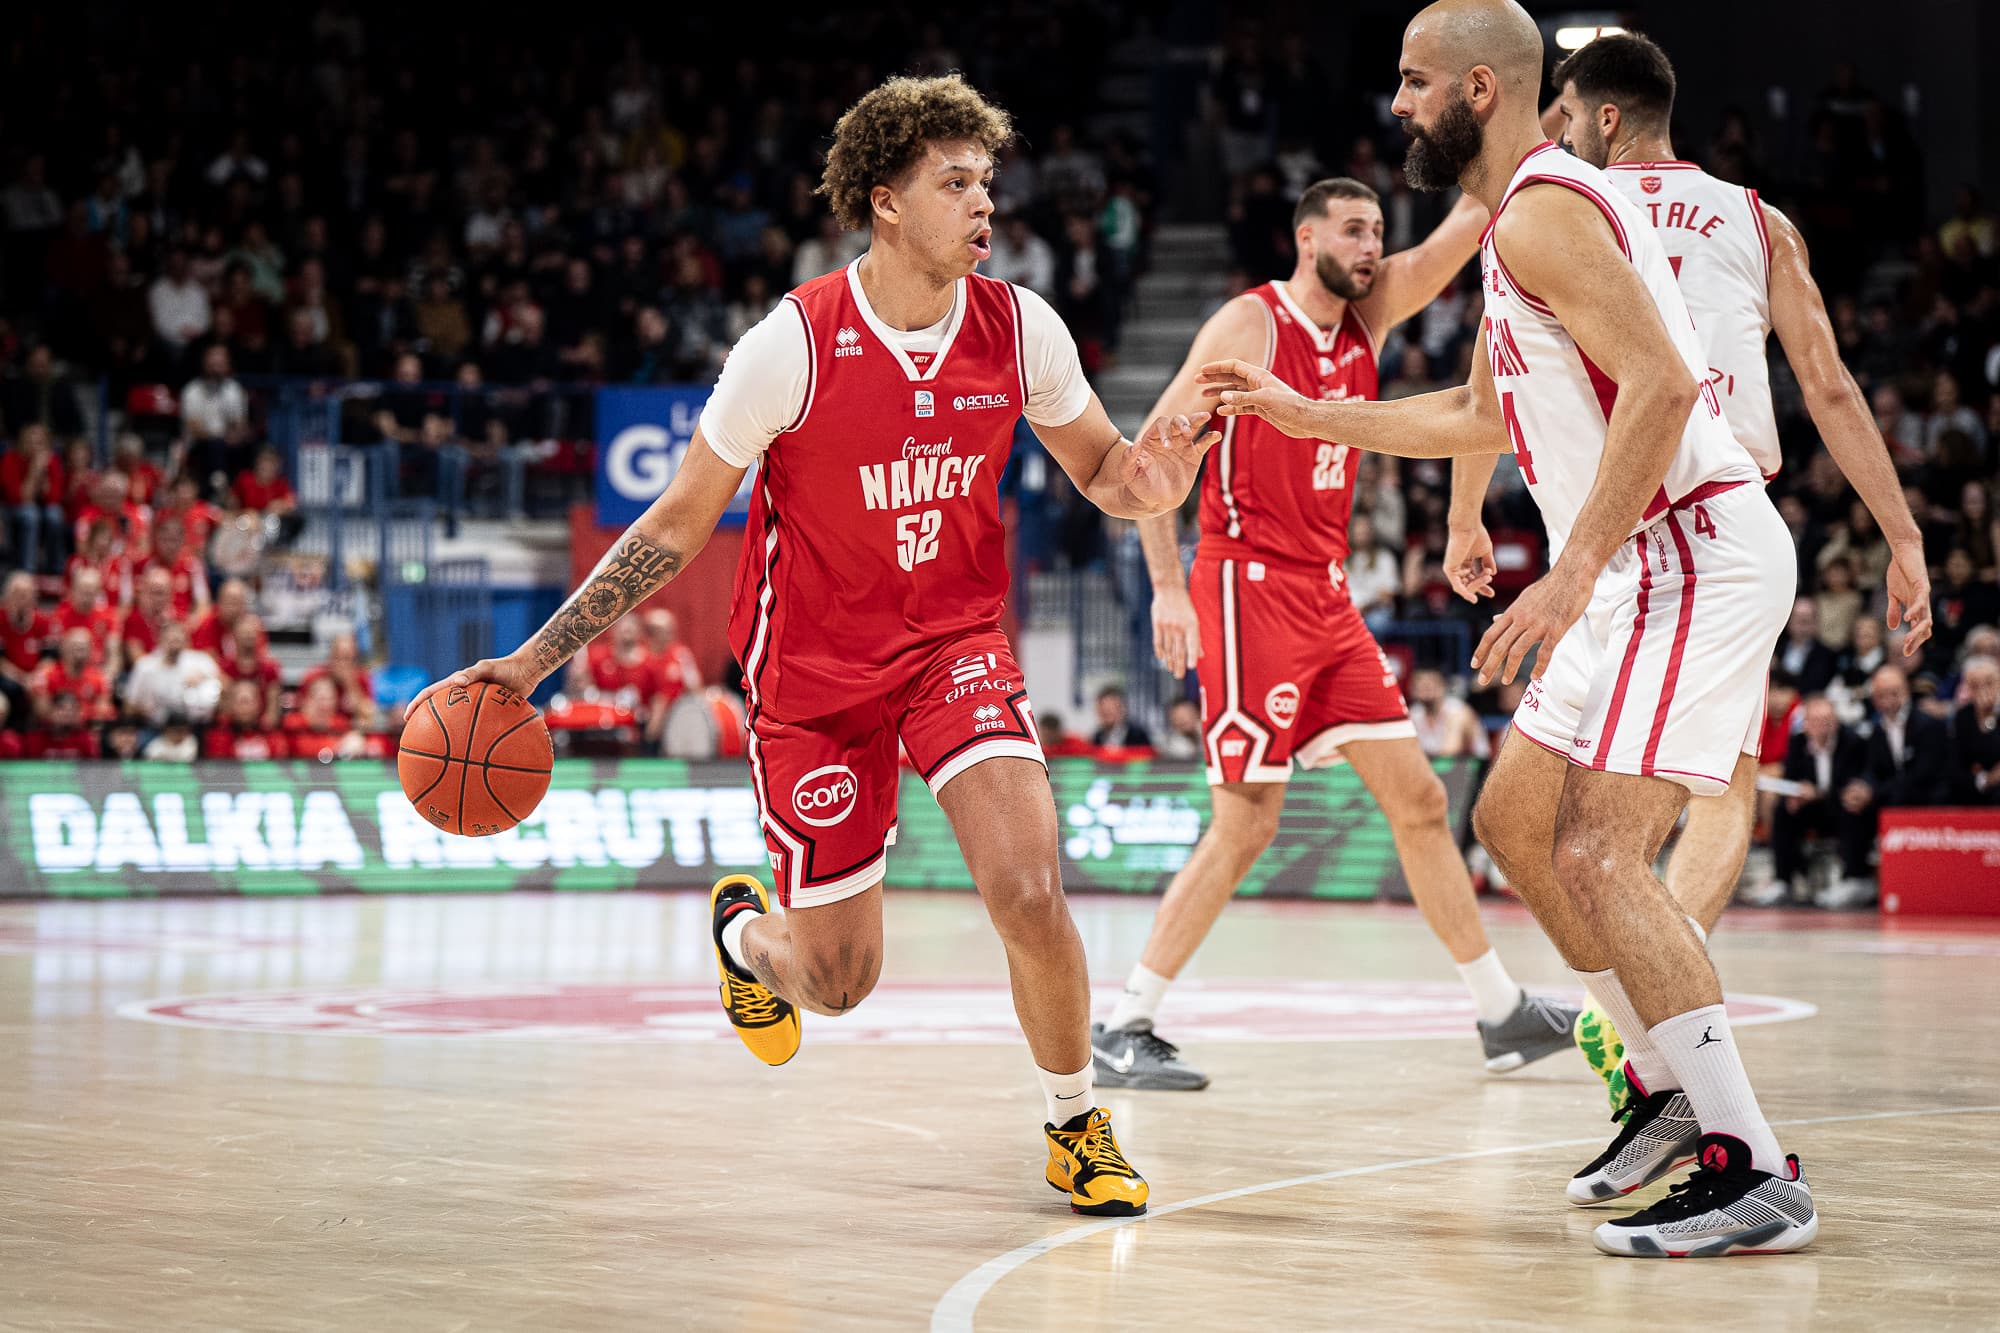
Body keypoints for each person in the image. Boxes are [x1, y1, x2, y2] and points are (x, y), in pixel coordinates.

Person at [408, 73, 1220, 1218]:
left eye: (986, 181)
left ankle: (1074, 1122)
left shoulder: (1020, 324)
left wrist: (1158, 477)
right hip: (812, 682)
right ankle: (749, 936)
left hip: (953, 648)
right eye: (954, 183)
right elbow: (677, 522)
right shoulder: (789, 344)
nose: (983, 204)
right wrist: (535, 659)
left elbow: (1102, 469)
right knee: (837, 984)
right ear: (885, 201)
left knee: (1030, 885)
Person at [1200, 0, 1814, 1256]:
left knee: (1597, 850)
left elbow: (1655, 384)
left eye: (1414, 83)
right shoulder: (1515, 223)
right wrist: (1308, 417)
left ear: (1479, 89)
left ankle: (1749, 1165)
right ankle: (1658, 1093)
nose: (1396, 105)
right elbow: (1483, 410)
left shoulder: (1542, 209)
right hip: (1645, 556)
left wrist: (1572, 568)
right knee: (1509, 820)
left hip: (1688, 549)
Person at [1107, 166, 1576, 1093]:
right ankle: (1126, 1022)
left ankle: (1499, 1011)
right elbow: (1154, 451)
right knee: (1248, 822)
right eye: (1354, 231)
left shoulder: (1368, 316)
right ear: (1307, 238)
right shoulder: (1251, 324)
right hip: (1245, 586)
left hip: (1324, 595)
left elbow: (1469, 222)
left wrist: (1528, 137)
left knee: (1419, 800)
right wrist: (1167, 588)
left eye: (1376, 231)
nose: (1373, 246)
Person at [1537, 27, 1930, 966]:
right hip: (1716, 523)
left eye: (1564, 117)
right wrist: (1903, 537)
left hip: (1594, 526)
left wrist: (1468, 510)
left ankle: (1647, 997)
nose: (1556, 136)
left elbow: (1496, 381)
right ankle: (1659, 988)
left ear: (1604, 117)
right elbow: (1830, 388)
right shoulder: (1760, 223)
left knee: (1575, 802)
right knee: (1722, 782)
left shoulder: (1556, 215)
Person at [1769, 695, 1872, 900]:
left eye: (1827, 721)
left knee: (1852, 807)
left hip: (1840, 806)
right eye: (1815, 721)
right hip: (1813, 809)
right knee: (1783, 810)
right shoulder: (1797, 744)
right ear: (1805, 724)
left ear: (1835, 721)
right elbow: (1792, 780)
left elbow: (1854, 785)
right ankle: (1784, 880)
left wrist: (1818, 793)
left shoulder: (1853, 743)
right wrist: (1795, 796)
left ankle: (1855, 878)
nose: (1822, 727)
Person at [123, 619, 224, 728]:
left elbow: (226, 689)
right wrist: (147, 710)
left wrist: (205, 678)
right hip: (156, 727)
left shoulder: (201, 661)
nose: (174, 644)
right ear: (160, 640)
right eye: (170, 639)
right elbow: (128, 707)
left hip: (197, 726)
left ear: (186, 640)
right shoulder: (145, 666)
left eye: (178, 639)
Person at [2, 422, 68, 575]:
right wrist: (35, 471)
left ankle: (56, 568)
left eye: (39, 443)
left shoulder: (52, 461)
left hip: (41, 508)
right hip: (12, 509)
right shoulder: (10, 459)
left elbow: (54, 498)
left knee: (55, 515)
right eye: (30, 441)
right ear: (22, 442)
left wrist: (43, 475)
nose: (34, 446)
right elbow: (21, 497)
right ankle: (28, 570)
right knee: (30, 514)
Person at [1408, 667, 1489, 758]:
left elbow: (1450, 753)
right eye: (1420, 684)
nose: (1425, 688)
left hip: (1472, 767)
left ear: (1442, 686)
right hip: (1434, 767)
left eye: (1429, 684)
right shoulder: (1414, 714)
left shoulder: (1458, 711)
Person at [1950, 655, 2000, 803]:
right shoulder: (1963, 716)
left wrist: (1989, 717)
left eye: (1989, 683)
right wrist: (1986, 779)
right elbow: (1959, 762)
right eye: (1975, 685)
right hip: (1975, 786)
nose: (1983, 690)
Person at [1089, 684, 1153, 751]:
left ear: (1123, 709)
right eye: (1102, 710)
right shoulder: (1096, 738)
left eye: (1111, 709)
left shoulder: (1138, 736)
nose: (1106, 712)